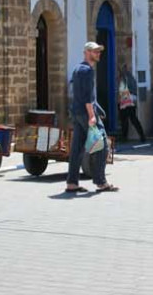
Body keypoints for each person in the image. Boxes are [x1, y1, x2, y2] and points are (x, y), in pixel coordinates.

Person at [65, 42, 117, 194]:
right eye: (95, 51)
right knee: (103, 145)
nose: (98, 54)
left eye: (99, 51)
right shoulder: (87, 71)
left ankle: (72, 183)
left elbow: (80, 94)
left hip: (77, 112)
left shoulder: (77, 69)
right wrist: (92, 116)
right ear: (87, 52)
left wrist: (97, 108)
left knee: (77, 148)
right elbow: (87, 97)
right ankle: (101, 182)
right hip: (86, 113)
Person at [117, 63, 146, 143]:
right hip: (132, 100)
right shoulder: (131, 77)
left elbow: (123, 91)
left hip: (126, 101)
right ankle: (142, 136)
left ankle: (124, 138)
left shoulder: (124, 78)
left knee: (124, 120)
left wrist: (120, 100)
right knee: (133, 119)